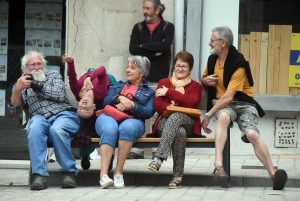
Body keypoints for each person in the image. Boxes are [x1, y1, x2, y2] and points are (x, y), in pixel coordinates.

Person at [200, 26, 288, 190]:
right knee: (224, 117)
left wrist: (208, 115)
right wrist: (204, 81)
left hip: (243, 104)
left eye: (212, 40)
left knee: (252, 134)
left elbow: (228, 97)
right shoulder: (212, 59)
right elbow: (205, 77)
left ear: (223, 42)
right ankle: (218, 165)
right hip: (224, 105)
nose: (209, 43)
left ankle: (273, 175)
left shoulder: (238, 64)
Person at [8, 51, 80, 190]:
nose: (37, 67)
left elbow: (59, 94)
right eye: (32, 65)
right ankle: (39, 175)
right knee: (34, 128)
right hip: (39, 118)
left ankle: (68, 173)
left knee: (56, 130)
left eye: (39, 63)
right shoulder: (21, 83)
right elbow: (14, 108)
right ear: (25, 68)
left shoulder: (53, 75)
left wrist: (35, 85)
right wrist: (18, 88)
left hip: (62, 115)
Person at [95, 55, 155, 189]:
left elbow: (149, 112)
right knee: (110, 128)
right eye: (127, 67)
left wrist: (133, 106)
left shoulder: (149, 92)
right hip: (109, 115)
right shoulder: (118, 85)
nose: (127, 70)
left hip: (133, 119)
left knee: (127, 128)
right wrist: (120, 98)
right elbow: (105, 101)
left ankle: (118, 173)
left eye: (132, 68)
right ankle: (103, 175)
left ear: (142, 73)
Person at [146, 51, 203, 188]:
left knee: (176, 116)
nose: (179, 69)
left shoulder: (196, 86)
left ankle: (159, 158)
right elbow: (159, 106)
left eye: (184, 66)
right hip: (163, 123)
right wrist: (179, 105)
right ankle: (178, 176)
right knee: (179, 132)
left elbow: (192, 103)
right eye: (177, 66)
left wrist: (169, 93)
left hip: (189, 123)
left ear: (191, 69)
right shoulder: (164, 82)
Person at [128, 0, 175, 159]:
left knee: (158, 112)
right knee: (140, 110)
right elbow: (133, 49)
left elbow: (165, 46)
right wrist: (154, 51)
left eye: (148, 8)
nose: (145, 11)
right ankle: (138, 150)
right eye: (144, 8)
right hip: (140, 77)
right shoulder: (138, 27)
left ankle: (156, 149)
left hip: (159, 77)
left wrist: (143, 48)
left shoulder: (168, 27)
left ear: (157, 10)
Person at [61, 54, 116, 171]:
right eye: (87, 109)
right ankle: (106, 155)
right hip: (107, 80)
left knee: (82, 127)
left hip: (90, 73)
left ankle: (84, 155)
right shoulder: (100, 93)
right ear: (94, 107)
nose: (84, 106)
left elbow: (71, 76)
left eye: (81, 109)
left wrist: (70, 62)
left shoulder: (76, 90)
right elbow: (102, 70)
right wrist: (90, 77)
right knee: (104, 125)